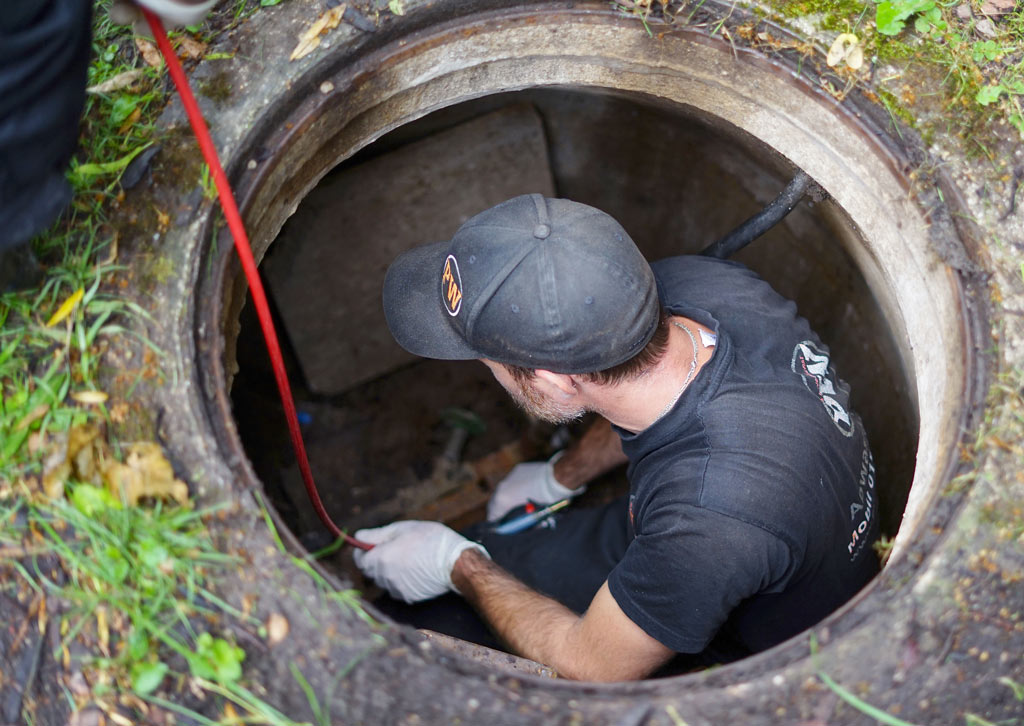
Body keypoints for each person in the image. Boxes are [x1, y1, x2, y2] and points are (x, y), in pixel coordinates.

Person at [353, 194, 880, 681]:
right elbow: (630, 401)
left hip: (752, 654)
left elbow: (590, 664)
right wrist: (563, 477)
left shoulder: (707, 522)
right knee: (498, 563)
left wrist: (456, 564)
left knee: (434, 622)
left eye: (484, 359)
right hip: (704, 533)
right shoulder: (699, 286)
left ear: (556, 381)